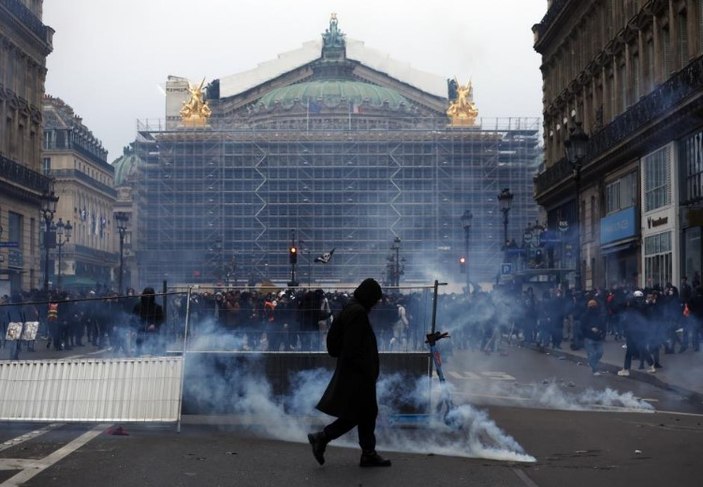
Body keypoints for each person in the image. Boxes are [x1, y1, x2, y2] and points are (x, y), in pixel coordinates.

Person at [307, 278, 391, 468]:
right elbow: (355, 348)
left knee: (363, 413)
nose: (376, 304)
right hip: (358, 374)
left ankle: (366, 452)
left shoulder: (352, 308)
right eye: (375, 299)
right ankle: (325, 438)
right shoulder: (357, 313)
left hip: (355, 372)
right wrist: (367, 371)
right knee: (362, 413)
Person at [132, 287, 164, 356]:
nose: (148, 296)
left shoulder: (157, 307)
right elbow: (133, 319)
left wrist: (154, 325)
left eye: (150, 295)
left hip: (153, 333)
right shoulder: (137, 307)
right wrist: (133, 330)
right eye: (146, 294)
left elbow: (161, 319)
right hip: (140, 332)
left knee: (154, 352)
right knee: (139, 351)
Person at [580, 297, 606, 376]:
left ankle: (592, 362)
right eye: (592, 306)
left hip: (598, 338)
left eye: (594, 305)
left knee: (600, 353)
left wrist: (601, 332)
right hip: (589, 338)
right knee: (592, 354)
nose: (593, 307)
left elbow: (603, 325)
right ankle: (594, 369)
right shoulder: (585, 315)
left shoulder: (599, 315)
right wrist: (591, 329)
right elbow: (582, 326)